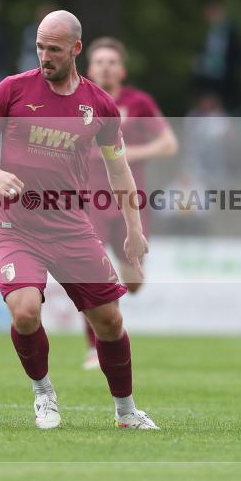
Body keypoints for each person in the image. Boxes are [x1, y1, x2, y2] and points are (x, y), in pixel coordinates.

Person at [0, 10, 158, 430]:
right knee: (25, 311)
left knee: (110, 321)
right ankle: (43, 394)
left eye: (53, 49)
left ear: (75, 49)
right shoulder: (12, 89)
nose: (44, 56)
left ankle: (126, 411)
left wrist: (134, 230)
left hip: (71, 226)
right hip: (17, 225)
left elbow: (119, 170)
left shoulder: (100, 105)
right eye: (39, 47)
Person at [81, 36, 178, 369]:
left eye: (111, 62)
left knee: (133, 281)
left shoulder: (139, 102)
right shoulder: (78, 101)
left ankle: (120, 287)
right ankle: (95, 346)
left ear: (121, 69)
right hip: (89, 199)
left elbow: (169, 144)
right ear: (89, 68)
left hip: (129, 201)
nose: (105, 67)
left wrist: (128, 153)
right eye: (99, 62)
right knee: (89, 270)